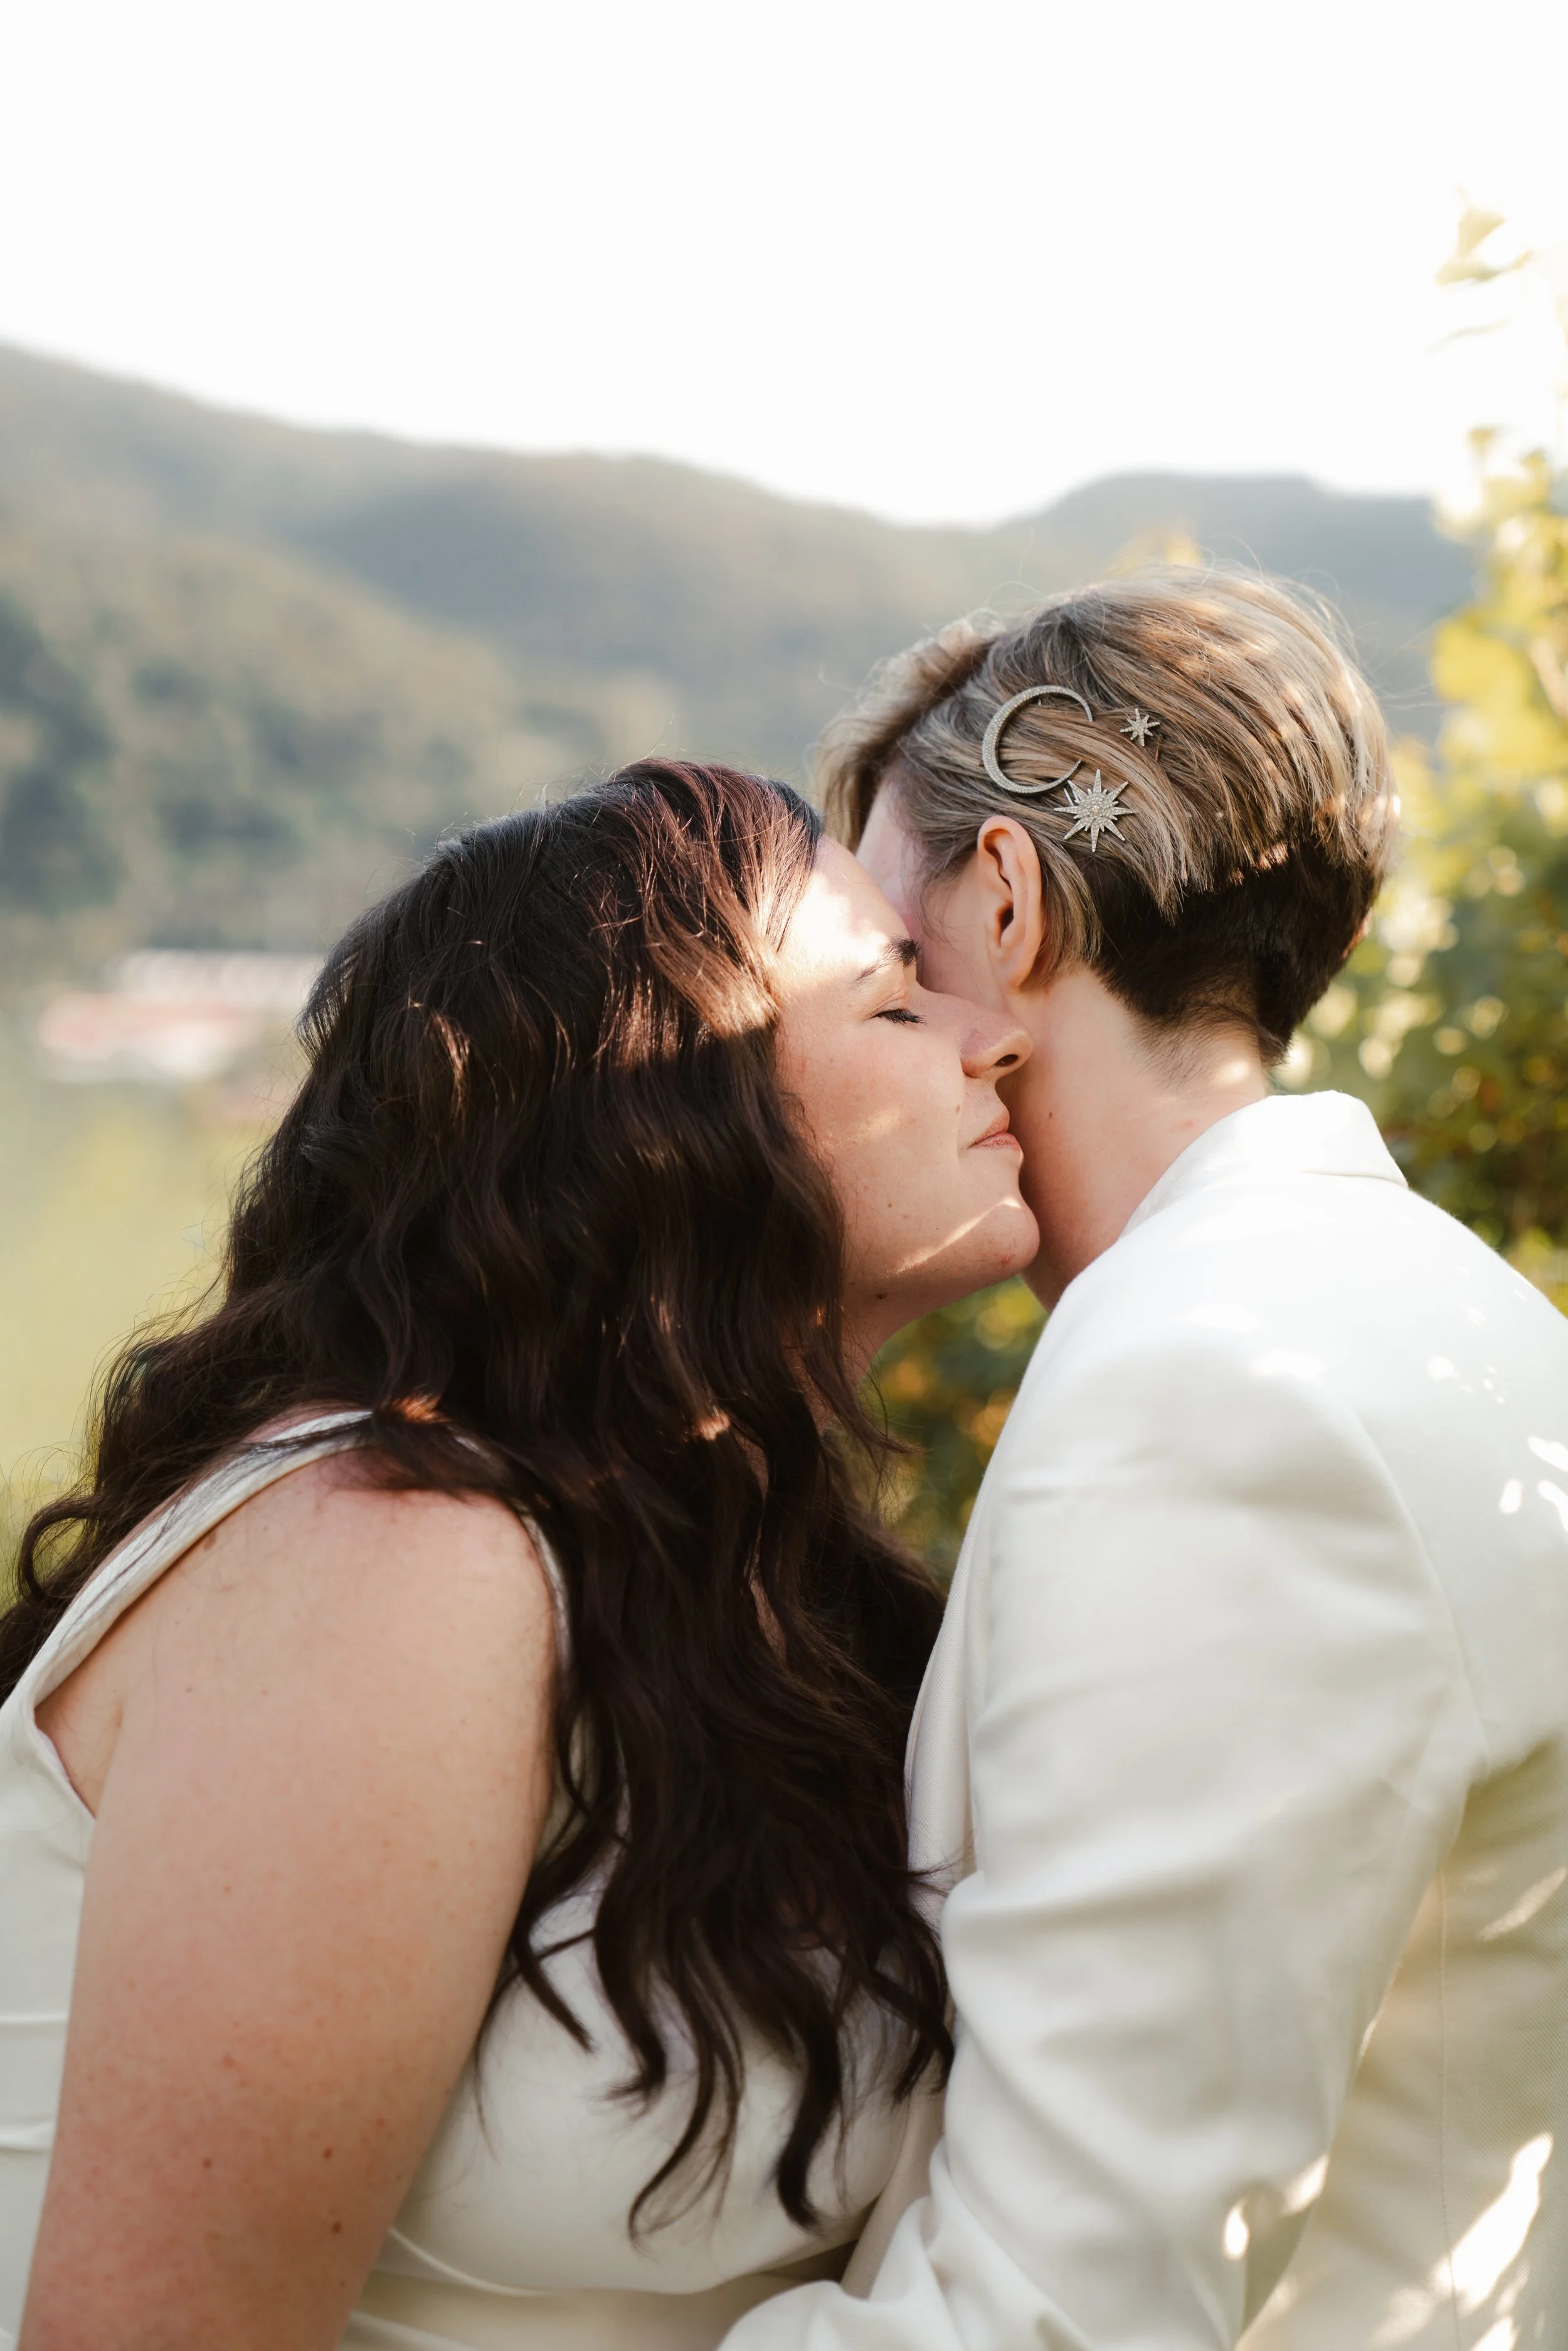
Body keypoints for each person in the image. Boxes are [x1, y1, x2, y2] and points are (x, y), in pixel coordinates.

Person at [0, 759, 1039, 2351]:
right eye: (894, 1005)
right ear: (666, 1113)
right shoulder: (392, 1563)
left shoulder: (746, 1589)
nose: (996, 1036)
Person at [723, 572, 1568, 2350]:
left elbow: (1053, 2306)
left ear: (1008, 905)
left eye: (886, 955)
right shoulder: (1433, 1315)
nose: (878, 1026)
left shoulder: (1213, 1391)